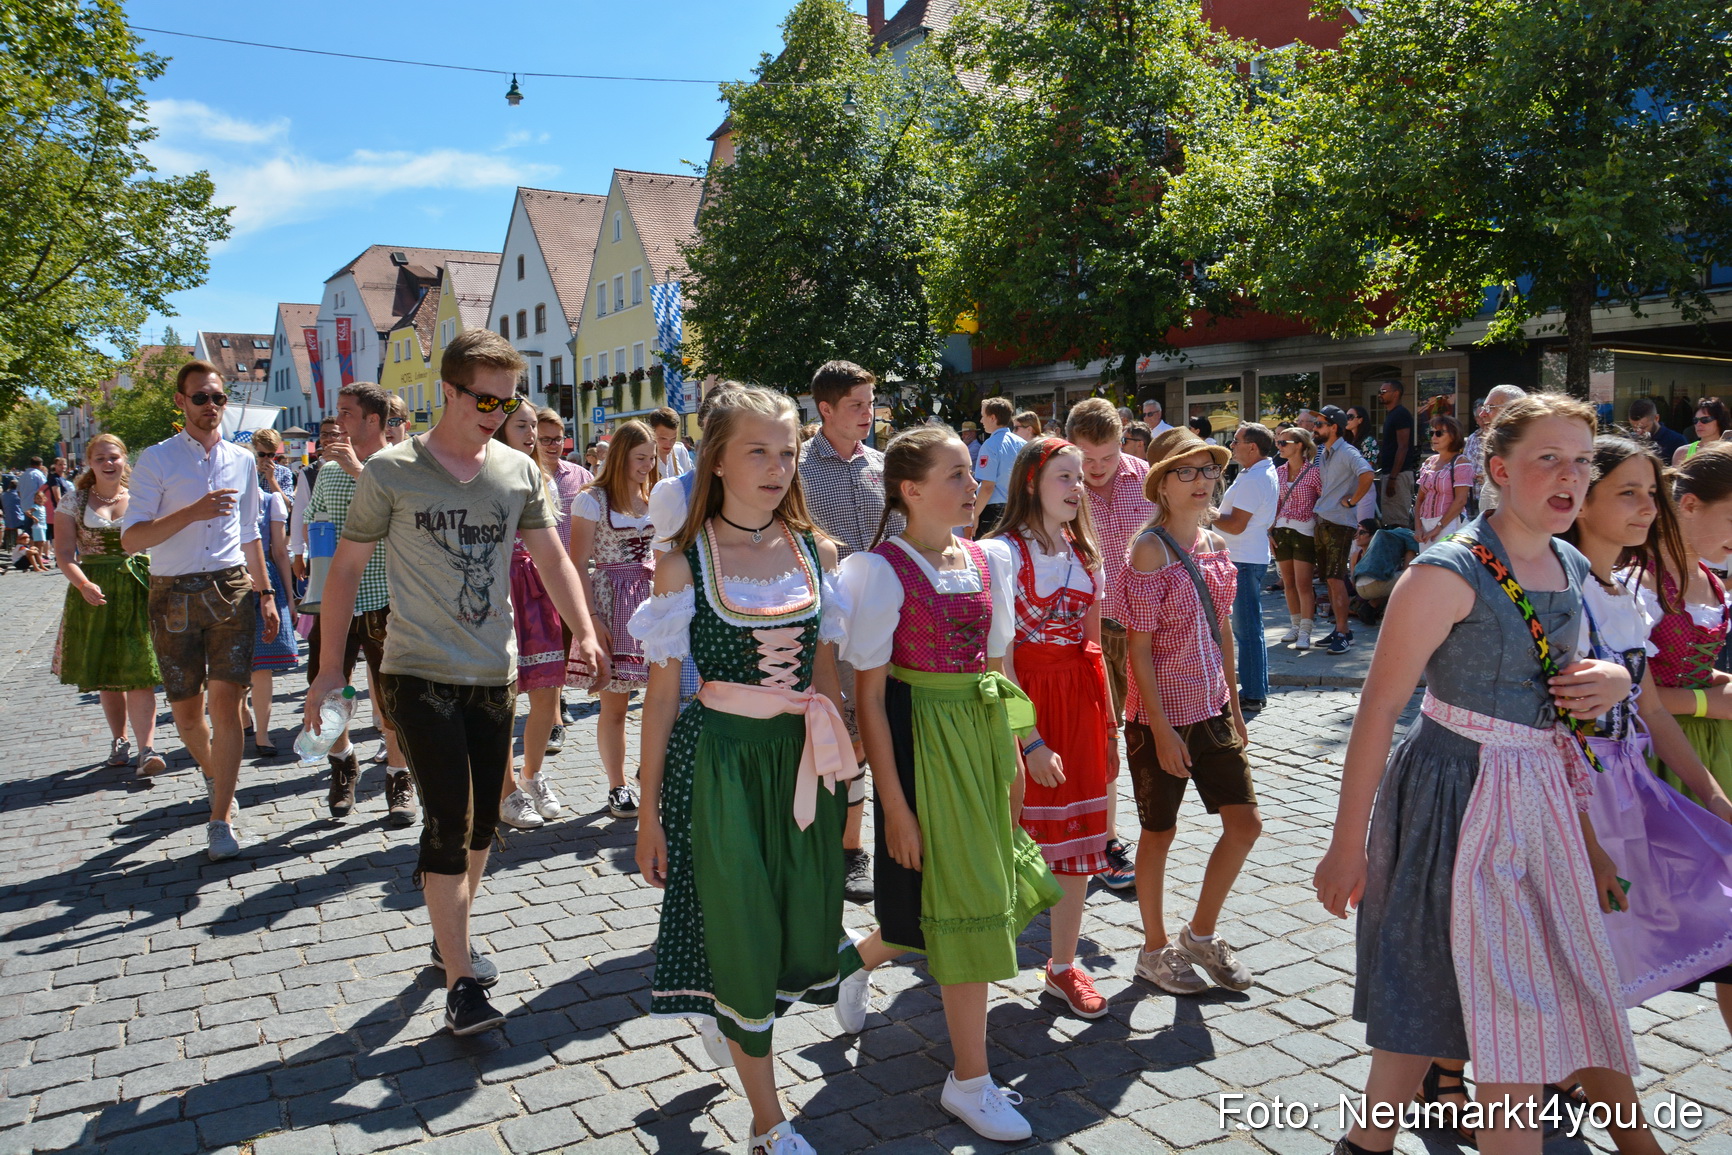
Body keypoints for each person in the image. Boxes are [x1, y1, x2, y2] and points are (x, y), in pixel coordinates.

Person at [1315, 392, 1640, 1155]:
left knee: (1480, 991)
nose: (1571, 476)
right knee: (1446, 982)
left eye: (1583, 460)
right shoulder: (1444, 573)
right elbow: (1378, 707)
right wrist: (1346, 843)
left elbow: (1567, 684)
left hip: (1539, 799)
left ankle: (1366, 1141)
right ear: (1499, 469)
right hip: (1453, 795)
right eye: (1548, 459)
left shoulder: (1567, 560)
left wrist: (1612, 682)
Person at [304, 329, 607, 1036]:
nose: (496, 412)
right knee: (447, 816)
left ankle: (449, 934)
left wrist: (584, 630)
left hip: (490, 670)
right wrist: (327, 669)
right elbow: (345, 570)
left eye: (507, 401)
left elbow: (554, 558)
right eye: (482, 398)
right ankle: (462, 979)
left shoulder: (516, 471)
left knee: (480, 822)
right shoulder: (392, 471)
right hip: (415, 670)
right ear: (447, 389)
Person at [634, 386, 863, 1155]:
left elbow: (826, 677)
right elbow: (662, 695)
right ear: (717, 460)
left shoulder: (817, 551)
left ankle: (726, 1007)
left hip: (802, 763)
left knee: (795, 928)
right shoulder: (681, 564)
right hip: (719, 768)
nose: (776, 465)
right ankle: (769, 1120)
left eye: (787, 450)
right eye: (757, 450)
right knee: (740, 933)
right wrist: (648, 811)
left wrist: (849, 790)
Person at [838, 425, 1061, 1143]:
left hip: (981, 738)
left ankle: (858, 955)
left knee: (961, 893)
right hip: (925, 743)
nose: (974, 487)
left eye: (971, 474)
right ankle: (969, 1078)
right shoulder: (880, 570)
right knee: (962, 899)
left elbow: (1001, 668)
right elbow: (869, 699)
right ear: (910, 489)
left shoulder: (983, 559)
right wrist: (894, 808)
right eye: (958, 475)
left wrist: (1024, 745)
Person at [1561, 435, 1732, 1155]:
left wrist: (1715, 802)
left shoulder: (1616, 591)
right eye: (1629, 491)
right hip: (1580, 798)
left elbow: (1655, 710)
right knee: (1587, 979)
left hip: (1630, 788)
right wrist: (1591, 844)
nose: (1647, 507)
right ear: (1582, 498)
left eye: (1650, 491)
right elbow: (1551, 728)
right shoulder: (1563, 591)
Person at [1119, 433, 1260, 999]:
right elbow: (1138, 647)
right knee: (1159, 832)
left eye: (1207, 471)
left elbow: (1222, 629)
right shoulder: (1148, 550)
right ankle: (1154, 949)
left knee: (1245, 824)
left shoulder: (1215, 547)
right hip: (1160, 717)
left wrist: (1234, 702)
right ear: (1161, 484)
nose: (1202, 481)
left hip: (1211, 709)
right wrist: (1159, 726)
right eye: (1187, 472)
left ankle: (1200, 934)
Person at [981, 437, 1117, 1020]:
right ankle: (979, 956)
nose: (1077, 487)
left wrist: (1108, 725)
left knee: (1079, 844)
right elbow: (999, 658)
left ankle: (1062, 966)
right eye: (1065, 476)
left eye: (1081, 477)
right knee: (1002, 839)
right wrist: (1027, 738)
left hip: (1079, 700)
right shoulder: (999, 552)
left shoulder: (1085, 552)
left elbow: (1095, 646)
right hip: (1022, 699)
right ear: (1032, 481)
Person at [122, 360, 279, 862]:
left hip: (231, 587)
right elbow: (131, 539)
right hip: (173, 594)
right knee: (188, 713)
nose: (211, 407)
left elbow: (251, 531)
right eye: (200, 398)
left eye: (217, 398)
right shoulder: (157, 459)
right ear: (180, 402)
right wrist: (192, 511)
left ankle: (221, 817)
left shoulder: (242, 458)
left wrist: (268, 591)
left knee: (227, 705)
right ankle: (216, 775)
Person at [797, 361, 900, 905]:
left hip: (884, 617)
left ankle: (856, 845)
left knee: (870, 730)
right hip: (828, 622)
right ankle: (832, 846)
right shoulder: (799, 471)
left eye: (871, 403)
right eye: (857, 405)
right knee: (836, 732)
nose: (868, 414)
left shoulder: (882, 466)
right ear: (826, 409)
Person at [304, 384, 414, 826]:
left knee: (394, 698)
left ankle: (398, 775)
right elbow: (318, 529)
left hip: (391, 599)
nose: (337, 423)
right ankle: (343, 763)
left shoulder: (404, 466)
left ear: (374, 420)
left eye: (347, 414)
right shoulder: (328, 472)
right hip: (340, 600)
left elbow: (410, 527)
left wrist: (358, 471)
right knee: (331, 690)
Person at [1068, 398, 1154, 891]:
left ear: (1123, 440)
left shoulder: (1146, 478)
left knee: (1144, 730)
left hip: (1142, 629)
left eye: (1107, 458)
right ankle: (1105, 839)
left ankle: (1146, 830)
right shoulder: (1062, 482)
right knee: (1099, 737)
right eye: (1088, 460)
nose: (1097, 471)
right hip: (1087, 631)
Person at [52, 434, 165, 776]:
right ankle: (120, 740)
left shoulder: (142, 497)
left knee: (141, 670)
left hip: (137, 585)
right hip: (94, 589)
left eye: (113, 456)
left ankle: (147, 749)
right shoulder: (73, 502)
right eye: (100, 458)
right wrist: (83, 583)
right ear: (90, 462)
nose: (108, 463)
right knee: (108, 673)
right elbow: (63, 554)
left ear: (124, 459)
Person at [569, 418, 658, 819]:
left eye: (652, 457)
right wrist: (589, 619)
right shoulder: (592, 500)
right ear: (621, 456)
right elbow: (576, 564)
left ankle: (651, 773)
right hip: (611, 600)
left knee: (661, 700)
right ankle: (617, 785)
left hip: (653, 601)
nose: (647, 465)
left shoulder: (653, 495)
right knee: (616, 706)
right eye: (641, 458)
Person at [494, 404, 571, 831]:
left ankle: (532, 774)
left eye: (534, 426)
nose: (533, 434)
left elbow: (553, 543)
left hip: (536, 585)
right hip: (498, 587)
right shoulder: (485, 473)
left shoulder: (540, 476)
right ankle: (506, 791)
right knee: (503, 698)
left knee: (548, 692)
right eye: (522, 426)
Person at [1211, 424, 1280, 711]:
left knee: (1247, 629)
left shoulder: (1255, 478)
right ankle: (1254, 689)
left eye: (1236, 441)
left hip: (1243, 559)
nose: (1232, 446)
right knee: (1250, 627)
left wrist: (1207, 513)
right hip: (1246, 557)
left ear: (1253, 447)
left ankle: (1252, 694)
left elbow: (1236, 526)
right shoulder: (1257, 472)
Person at [537, 407, 593, 746]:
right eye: (545, 439)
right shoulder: (527, 474)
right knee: (547, 644)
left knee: (567, 641)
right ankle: (552, 711)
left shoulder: (579, 476)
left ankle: (558, 699)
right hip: (537, 575)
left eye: (558, 439)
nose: (553, 445)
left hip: (573, 573)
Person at [246, 429, 299, 756]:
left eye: (272, 455)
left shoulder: (276, 487)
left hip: (267, 576)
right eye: (262, 455)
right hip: (231, 579)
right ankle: (241, 717)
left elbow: (280, 549)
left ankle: (262, 733)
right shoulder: (231, 487)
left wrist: (291, 597)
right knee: (233, 666)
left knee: (261, 664)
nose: (267, 461)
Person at [1312, 406, 1373, 655]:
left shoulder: (1347, 451)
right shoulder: (1324, 452)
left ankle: (1343, 632)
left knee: (1336, 580)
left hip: (1339, 522)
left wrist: (1353, 500)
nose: (1315, 429)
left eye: (1319, 425)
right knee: (1330, 579)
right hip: (1325, 519)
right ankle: (1341, 631)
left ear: (1333, 427)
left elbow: (1367, 474)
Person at [1272, 428, 1322, 650]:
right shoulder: (1279, 472)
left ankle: (1305, 630)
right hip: (1281, 529)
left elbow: (1323, 501)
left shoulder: (1313, 472)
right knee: (1288, 583)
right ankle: (1294, 625)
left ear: (1300, 445)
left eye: (1284, 442)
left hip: (1305, 530)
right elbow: (1273, 503)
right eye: (1278, 442)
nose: (1279, 446)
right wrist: (1268, 532)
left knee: (1303, 584)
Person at [1413, 414, 1474, 551]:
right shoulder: (1429, 462)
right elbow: (1420, 499)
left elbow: (1461, 500)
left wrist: (1438, 528)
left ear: (1453, 436)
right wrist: (1418, 527)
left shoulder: (1461, 462)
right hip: (1425, 525)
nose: (1434, 437)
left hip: (1450, 524)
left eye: (1439, 433)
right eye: (1431, 433)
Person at [1465, 384, 1527, 514]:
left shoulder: (1529, 451)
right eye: (1482, 408)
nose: (1482, 414)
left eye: (1489, 408)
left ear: (1514, 411)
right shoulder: (1496, 446)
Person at [972, 396, 1026, 538]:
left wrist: (975, 514)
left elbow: (988, 486)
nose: (981, 420)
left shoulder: (990, 445)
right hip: (1018, 508)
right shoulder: (1022, 443)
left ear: (993, 418)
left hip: (994, 511)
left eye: (983, 416)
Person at [1373, 381, 1415, 528]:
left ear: (1396, 393)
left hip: (1398, 474)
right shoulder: (1391, 415)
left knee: (1398, 523)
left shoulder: (1400, 414)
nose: (1380, 394)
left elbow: (1403, 447)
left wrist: (1392, 478)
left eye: (1384, 391)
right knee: (1389, 521)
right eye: (1379, 391)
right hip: (1389, 473)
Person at [1673, 396, 1730, 467]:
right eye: (1695, 420)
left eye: (1705, 420)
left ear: (1720, 420)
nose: (1699, 424)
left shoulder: (1729, 452)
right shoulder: (1682, 453)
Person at [1626, 396, 1685, 461]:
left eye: (1643, 427)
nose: (1638, 432)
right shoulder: (1627, 441)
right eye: (1634, 427)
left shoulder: (1676, 441)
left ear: (1656, 418)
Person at [648, 406, 691, 478]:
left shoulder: (680, 451)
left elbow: (690, 482)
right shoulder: (646, 457)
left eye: (673, 439)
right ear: (652, 432)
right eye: (663, 438)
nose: (669, 444)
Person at [2, 476, 21, 552]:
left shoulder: (3, 495)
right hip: (18, 519)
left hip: (7, 519)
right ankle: (19, 545)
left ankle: (7, 545)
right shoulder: (19, 495)